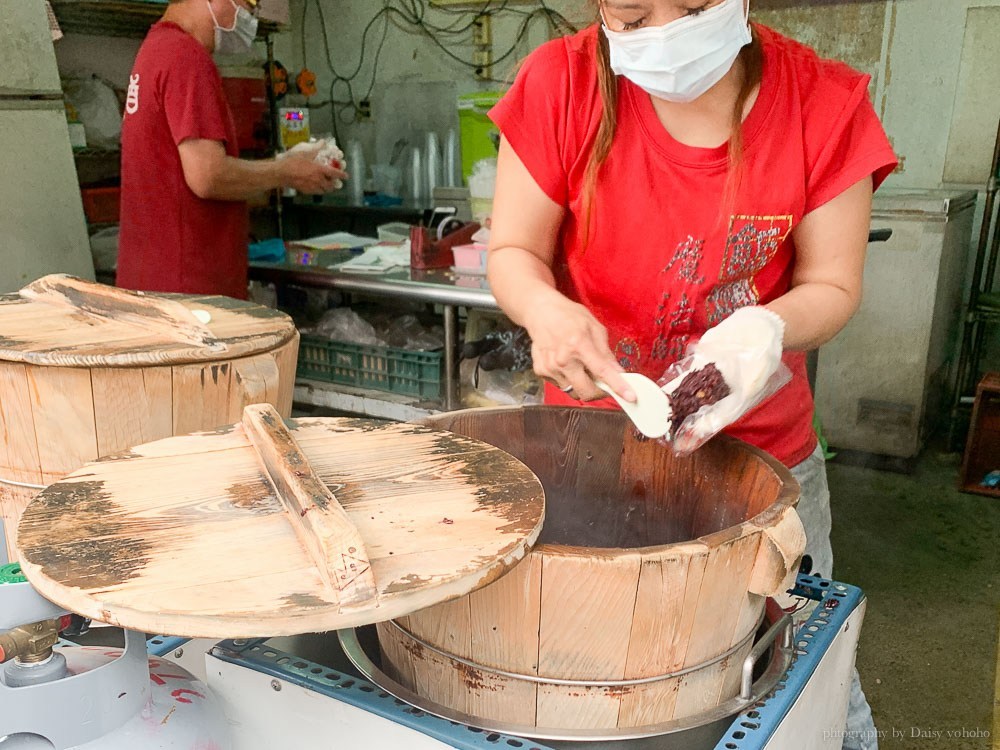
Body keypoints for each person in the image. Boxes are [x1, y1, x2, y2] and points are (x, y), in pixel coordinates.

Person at [485, 2, 896, 749]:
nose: (667, 33)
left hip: (763, 461)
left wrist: (765, 327)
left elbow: (834, 285)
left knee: (802, 660)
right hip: (591, 454)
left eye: (697, 7)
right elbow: (513, 249)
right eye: (633, 16)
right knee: (598, 664)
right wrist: (545, 309)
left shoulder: (824, 103)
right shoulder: (561, 83)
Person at [117, 0, 346, 299]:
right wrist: (286, 171)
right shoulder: (185, 56)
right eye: (249, 3)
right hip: (187, 289)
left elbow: (182, 177)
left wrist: (284, 164)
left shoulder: (156, 50)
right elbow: (208, 176)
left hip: (156, 283)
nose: (251, 14)